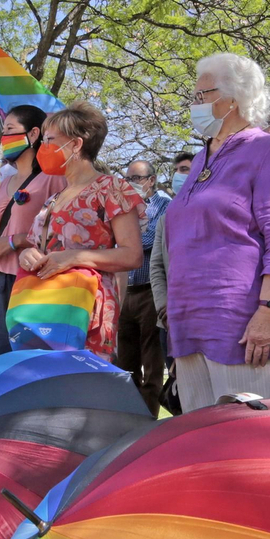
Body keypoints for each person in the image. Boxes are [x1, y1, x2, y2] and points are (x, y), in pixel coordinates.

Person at [164, 53, 270, 412]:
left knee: (244, 447)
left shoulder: (265, 149)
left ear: (233, 98)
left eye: (202, 95)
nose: (194, 104)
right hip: (190, 323)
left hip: (242, 323)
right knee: (198, 447)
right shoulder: (199, 159)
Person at [16, 101, 145, 360]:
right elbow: (36, 247)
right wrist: (26, 256)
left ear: (75, 144)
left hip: (86, 308)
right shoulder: (55, 197)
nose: (43, 147)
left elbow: (133, 256)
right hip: (44, 307)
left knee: (81, 390)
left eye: (50, 139)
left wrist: (74, 257)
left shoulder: (112, 188)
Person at [0, 106, 66, 359]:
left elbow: (61, 231)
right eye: (3, 132)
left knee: (29, 361)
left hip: (32, 279)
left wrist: (15, 242)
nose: (4, 138)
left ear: (34, 133)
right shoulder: (4, 183)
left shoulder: (53, 179)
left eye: (10, 130)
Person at [114, 158, 170, 414]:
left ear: (151, 180)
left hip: (150, 291)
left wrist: (123, 241)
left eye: (135, 179)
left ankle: (148, 418)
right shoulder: (124, 206)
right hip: (127, 290)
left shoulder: (165, 206)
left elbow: (148, 241)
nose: (130, 184)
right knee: (125, 361)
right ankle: (128, 416)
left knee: (152, 362)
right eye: (127, 179)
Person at [149, 151, 193, 325]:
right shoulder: (165, 220)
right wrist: (163, 304)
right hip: (169, 318)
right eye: (176, 170)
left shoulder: (216, 214)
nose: (178, 175)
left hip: (205, 314)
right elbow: (156, 266)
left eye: (184, 169)